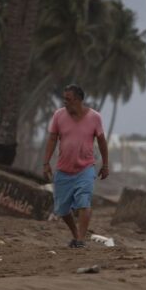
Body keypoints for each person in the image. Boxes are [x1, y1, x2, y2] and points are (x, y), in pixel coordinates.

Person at [43, 84, 109, 249]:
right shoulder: (59, 115)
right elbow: (52, 139)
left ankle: (80, 239)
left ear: (79, 100)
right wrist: (46, 163)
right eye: (64, 99)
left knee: (83, 202)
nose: (65, 102)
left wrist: (105, 165)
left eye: (69, 99)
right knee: (62, 209)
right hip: (63, 170)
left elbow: (102, 141)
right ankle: (75, 234)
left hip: (85, 168)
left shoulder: (95, 117)